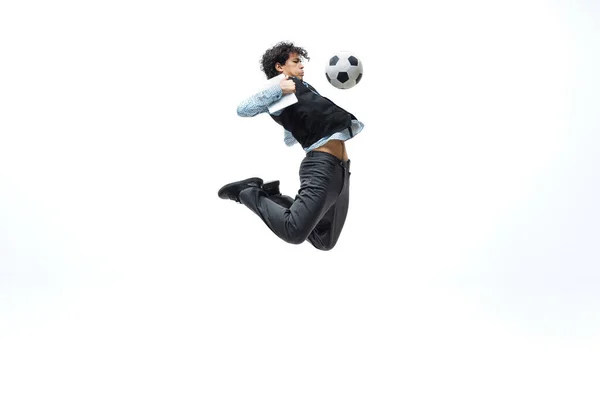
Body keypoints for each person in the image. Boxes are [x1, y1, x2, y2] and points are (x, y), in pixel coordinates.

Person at [217, 41, 364, 251]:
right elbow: (243, 109)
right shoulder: (279, 87)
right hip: (321, 166)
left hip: (341, 170)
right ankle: (246, 192)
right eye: (296, 61)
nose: (302, 66)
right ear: (279, 67)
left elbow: (292, 133)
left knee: (325, 241)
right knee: (293, 231)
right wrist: (278, 88)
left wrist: (293, 124)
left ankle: (274, 197)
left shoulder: (300, 89)